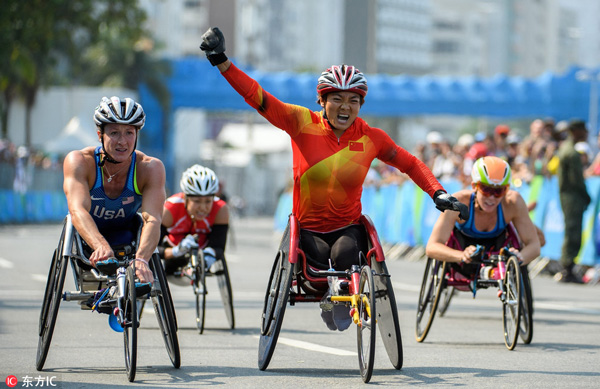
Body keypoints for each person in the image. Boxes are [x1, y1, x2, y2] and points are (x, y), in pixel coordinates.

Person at [199, 27, 467, 331]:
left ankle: (342, 292)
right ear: (322, 101)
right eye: (337, 98)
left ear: (361, 105)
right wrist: (221, 60)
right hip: (308, 228)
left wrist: (438, 193)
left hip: (347, 226)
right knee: (316, 269)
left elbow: (411, 164)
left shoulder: (372, 138)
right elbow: (257, 97)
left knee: (346, 255)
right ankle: (331, 292)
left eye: (353, 100)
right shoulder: (301, 122)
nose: (345, 107)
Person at [62, 96, 166, 284]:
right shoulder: (80, 161)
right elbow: (78, 210)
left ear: (137, 135)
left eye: (129, 133)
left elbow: (152, 218)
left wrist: (142, 259)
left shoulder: (150, 168)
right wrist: (100, 245)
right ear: (100, 135)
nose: (122, 141)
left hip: (127, 239)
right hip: (89, 240)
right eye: (114, 133)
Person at [425, 156, 541, 289]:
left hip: (497, 248)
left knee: (540, 237)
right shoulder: (459, 202)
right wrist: (461, 255)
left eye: (498, 191)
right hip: (463, 248)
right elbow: (432, 247)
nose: (491, 197)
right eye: (486, 189)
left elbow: (535, 245)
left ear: (506, 190)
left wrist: (519, 257)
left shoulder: (513, 202)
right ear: (474, 186)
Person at [158, 164, 229, 281]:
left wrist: (208, 256)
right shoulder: (170, 209)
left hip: (202, 249)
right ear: (185, 198)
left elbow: (219, 247)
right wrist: (176, 251)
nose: (203, 207)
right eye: (197, 201)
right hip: (173, 251)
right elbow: (153, 248)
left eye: (208, 201)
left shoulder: (221, 210)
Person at [556, 120, 591, 283]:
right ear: (575, 131)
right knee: (573, 232)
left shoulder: (566, 149)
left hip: (568, 196)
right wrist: (586, 195)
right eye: (583, 130)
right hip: (573, 197)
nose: (586, 133)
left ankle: (567, 266)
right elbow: (577, 180)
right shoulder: (571, 153)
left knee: (571, 231)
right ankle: (568, 267)